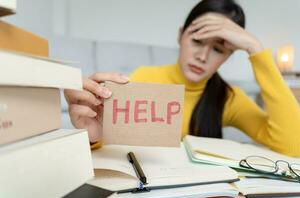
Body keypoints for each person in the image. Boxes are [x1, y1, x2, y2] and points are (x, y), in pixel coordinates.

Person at [64, 0, 300, 156]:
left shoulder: (229, 98)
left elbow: (294, 145)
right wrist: (94, 138)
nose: (203, 56)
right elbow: (117, 152)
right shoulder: (144, 78)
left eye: (219, 49)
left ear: (228, 57)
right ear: (180, 35)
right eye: (197, 40)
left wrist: (255, 48)